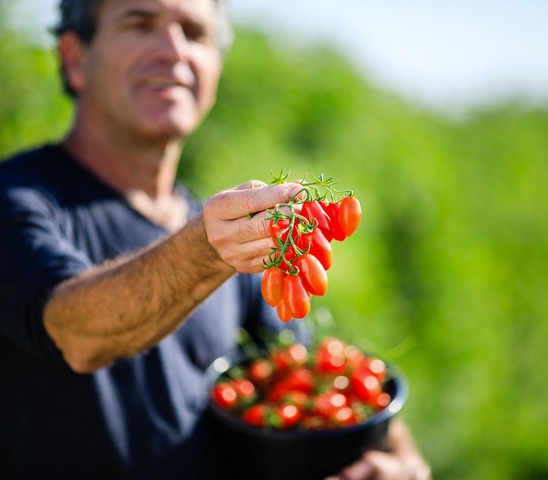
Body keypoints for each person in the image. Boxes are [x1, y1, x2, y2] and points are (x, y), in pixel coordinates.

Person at [0, 0, 431, 479]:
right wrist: (204, 250)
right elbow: (73, 332)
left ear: (216, 69)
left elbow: (306, 379)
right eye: (140, 24)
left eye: (194, 32)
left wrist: (396, 453)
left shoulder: (226, 237)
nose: (173, 49)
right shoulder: (16, 200)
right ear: (76, 59)